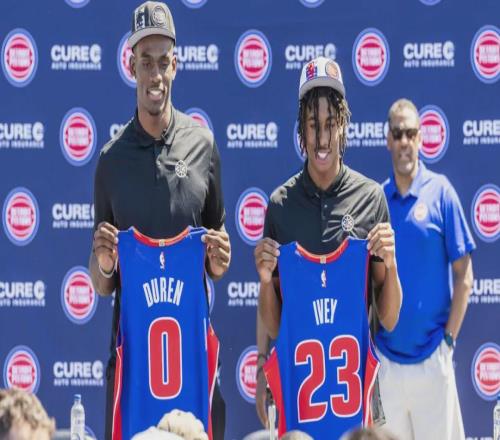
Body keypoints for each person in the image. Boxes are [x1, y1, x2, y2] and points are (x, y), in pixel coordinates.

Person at [89, 2, 230, 439]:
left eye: (163, 62)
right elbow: (101, 281)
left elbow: (217, 254)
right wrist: (105, 264)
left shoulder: (202, 145)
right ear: (132, 66)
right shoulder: (111, 160)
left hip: (192, 358)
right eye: (146, 62)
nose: (155, 75)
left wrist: (221, 257)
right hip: (133, 364)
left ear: (176, 65)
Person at [254, 57, 402, 437]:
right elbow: (275, 323)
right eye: (312, 124)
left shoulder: (370, 198)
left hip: (358, 403)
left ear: (344, 125)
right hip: (298, 401)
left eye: (330, 123)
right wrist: (265, 281)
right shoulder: (280, 205)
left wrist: (391, 265)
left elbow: (388, 319)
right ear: (300, 128)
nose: (322, 138)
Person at [375, 98, 475, 440]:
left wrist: (448, 341)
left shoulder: (441, 192)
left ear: (420, 138)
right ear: (388, 140)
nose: (404, 141)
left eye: (410, 133)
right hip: (387, 364)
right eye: (397, 134)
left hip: (433, 359)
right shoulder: (376, 201)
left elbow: (465, 276)